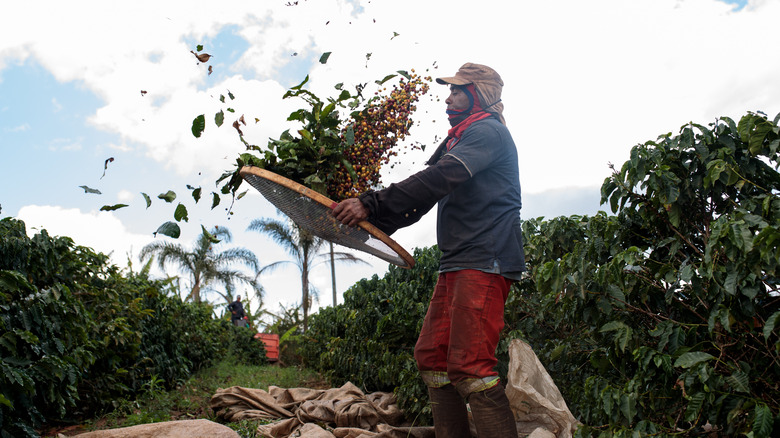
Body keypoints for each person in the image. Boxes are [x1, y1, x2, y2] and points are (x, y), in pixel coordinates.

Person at [333, 63, 524, 437]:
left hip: (486, 258)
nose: (448, 98)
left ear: (478, 95)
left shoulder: (487, 132)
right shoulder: (460, 138)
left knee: (471, 366)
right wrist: (374, 220)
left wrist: (370, 203)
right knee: (433, 358)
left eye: (457, 91)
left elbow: (437, 179)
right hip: (457, 260)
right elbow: (425, 197)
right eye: (450, 91)